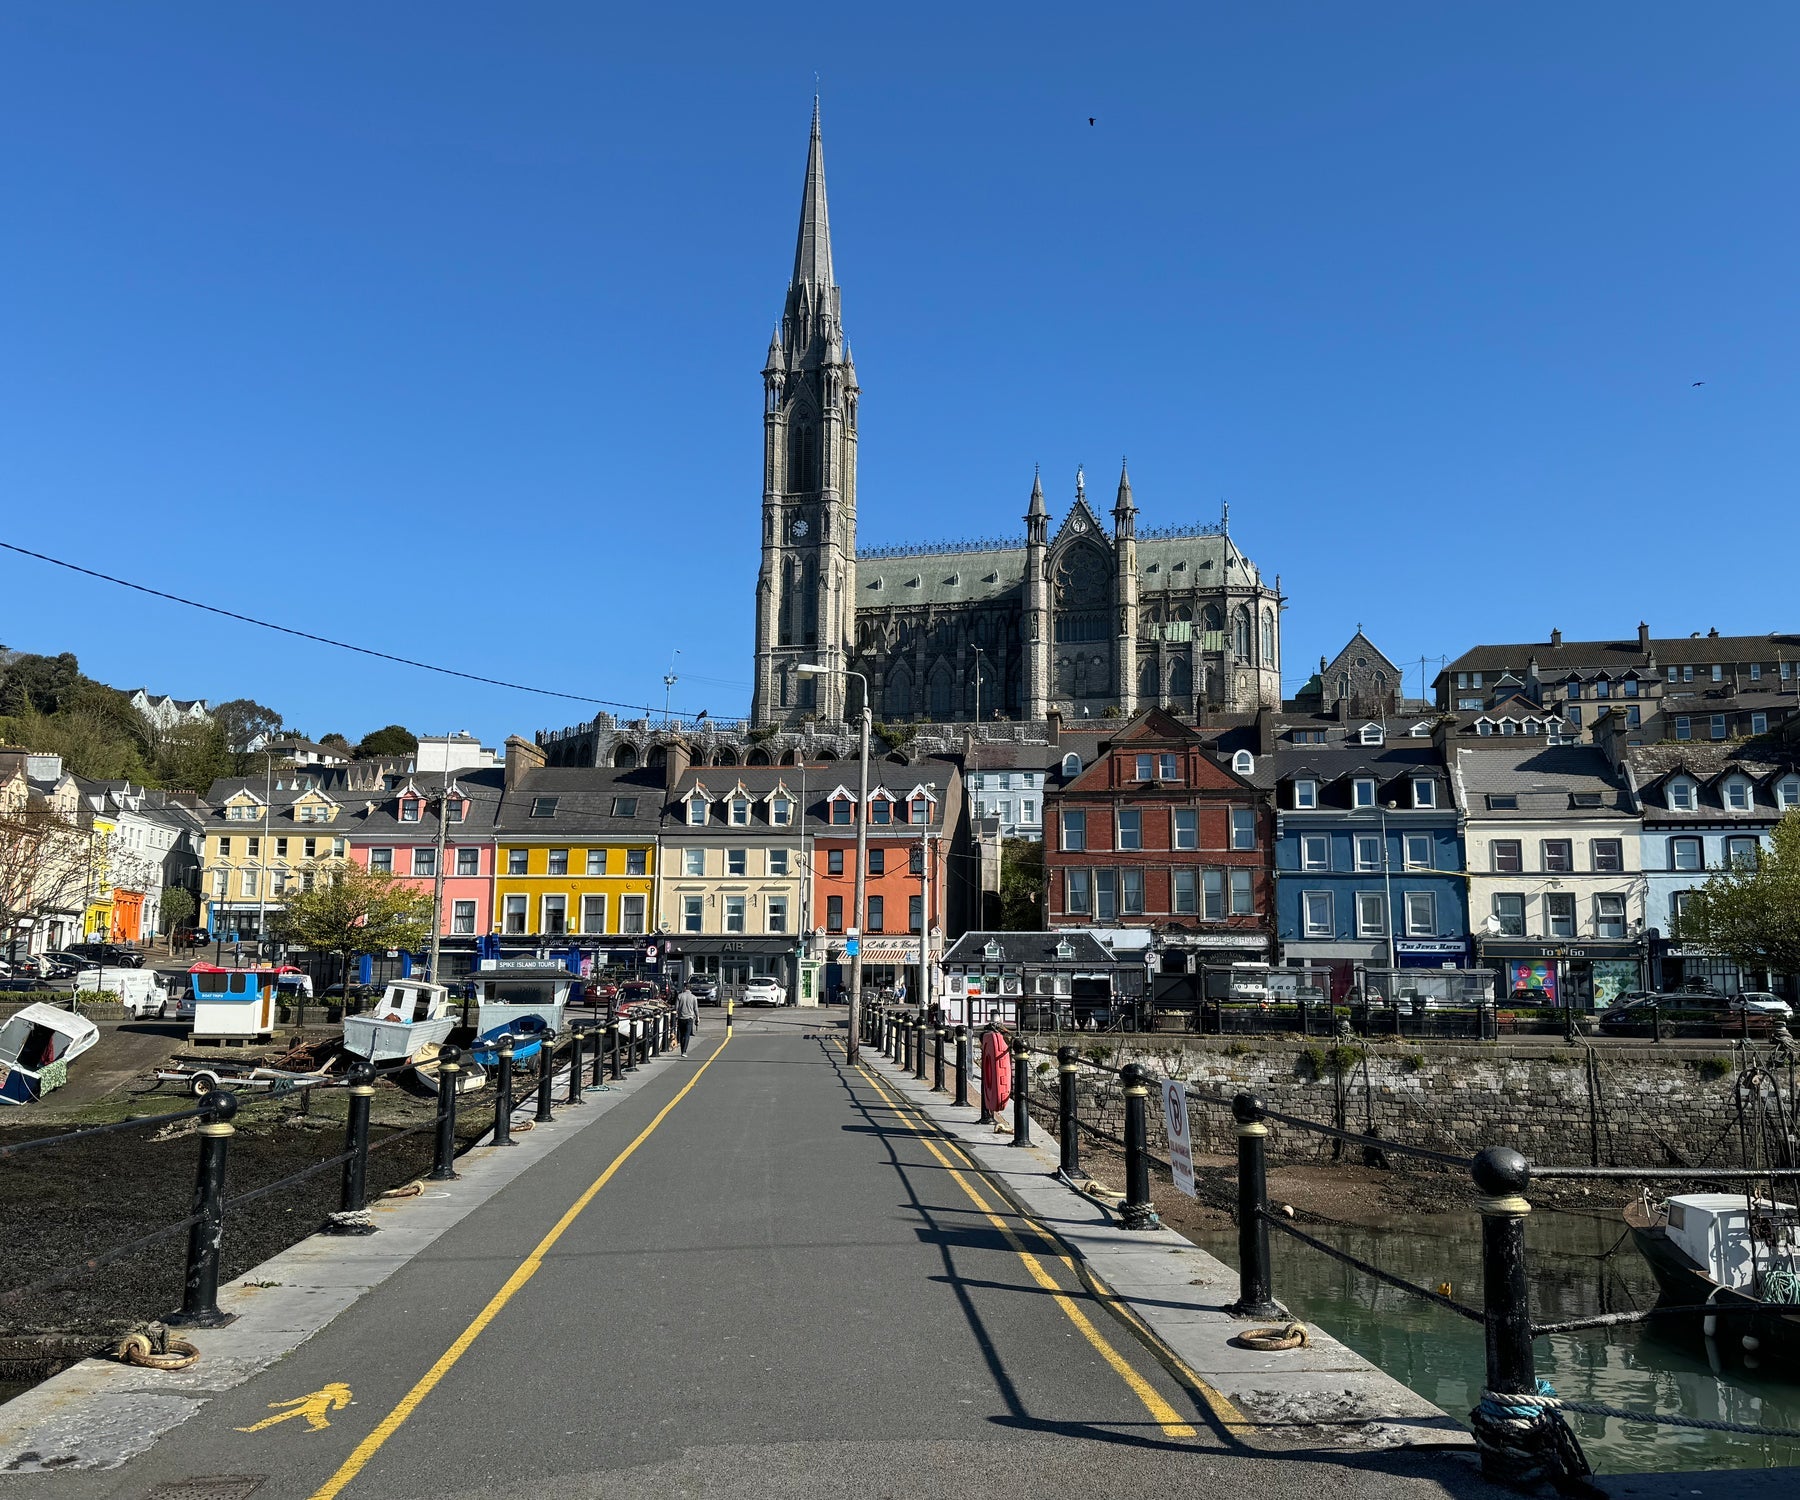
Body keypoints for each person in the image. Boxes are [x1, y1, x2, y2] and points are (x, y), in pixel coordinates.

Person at [675, 983, 700, 1055]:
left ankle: (682, 1049)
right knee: (687, 1035)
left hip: (681, 1018)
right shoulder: (694, 997)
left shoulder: (679, 996)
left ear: (685, 987)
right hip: (689, 1018)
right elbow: (696, 1009)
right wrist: (697, 1017)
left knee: (681, 1035)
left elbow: (676, 1008)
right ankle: (684, 1051)